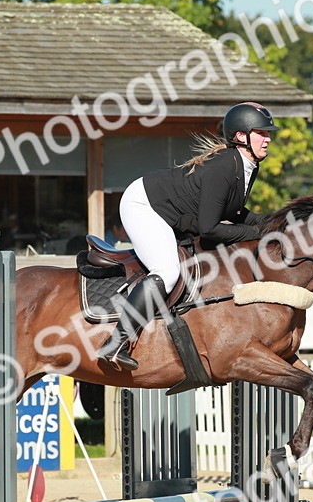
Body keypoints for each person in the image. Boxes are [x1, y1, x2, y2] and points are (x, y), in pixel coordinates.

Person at [96, 101, 277, 371]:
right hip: (143, 205)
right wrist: (257, 232)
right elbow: (210, 229)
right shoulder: (224, 167)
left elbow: (236, 213)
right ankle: (115, 344)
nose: (268, 138)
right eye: (262, 133)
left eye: (268, 133)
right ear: (241, 136)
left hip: (166, 210)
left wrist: (276, 222)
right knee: (167, 272)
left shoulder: (246, 166)